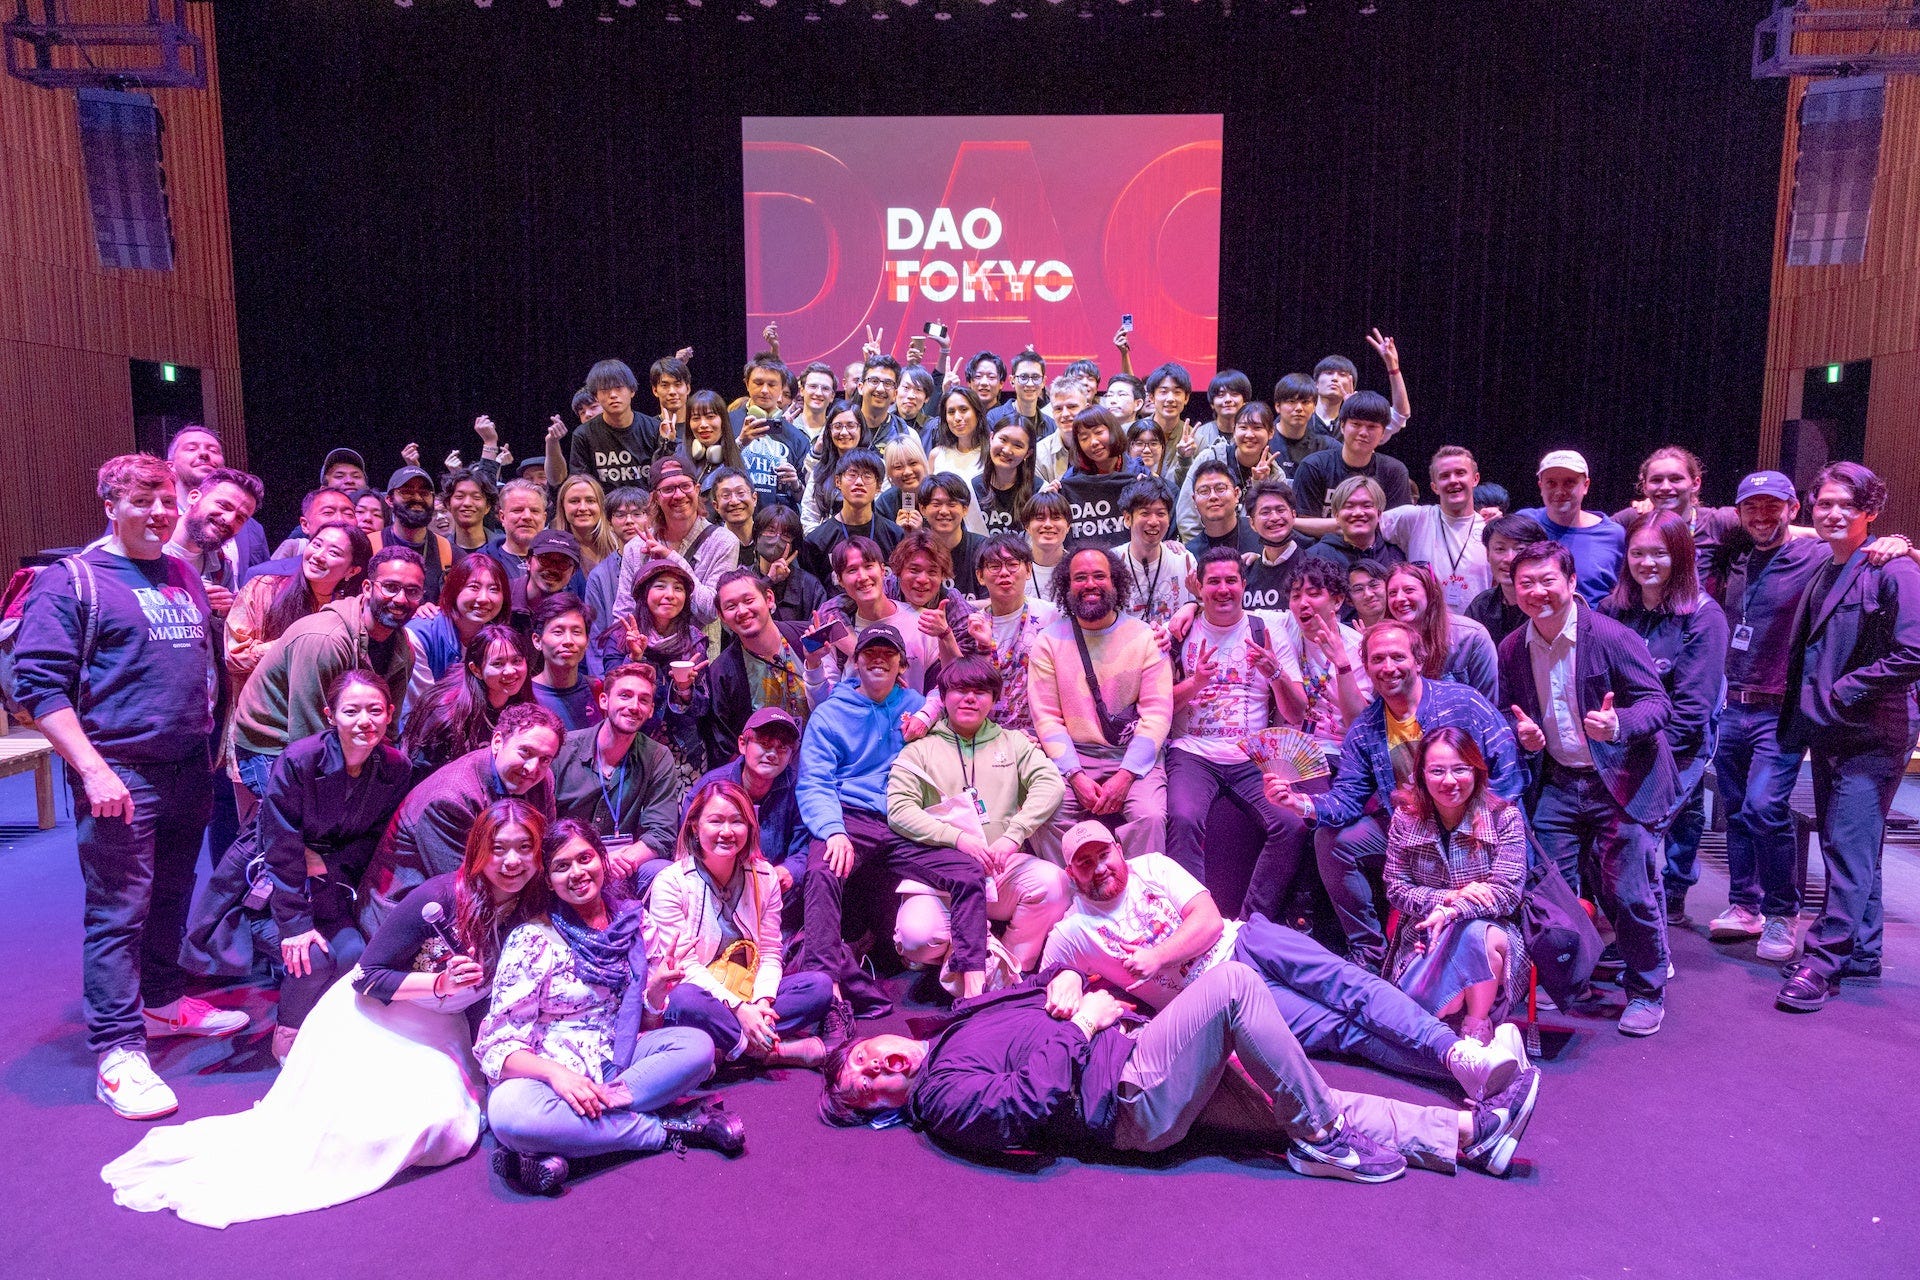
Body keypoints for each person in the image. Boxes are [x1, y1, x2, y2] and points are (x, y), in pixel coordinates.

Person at [102, 800, 547, 1226]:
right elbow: (368, 976)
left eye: (524, 848)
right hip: (376, 1020)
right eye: (499, 848)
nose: (511, 861)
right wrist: (439, 983)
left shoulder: (532, 903)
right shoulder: (440, 896)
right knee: (404, 1130)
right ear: (477, 850)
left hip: (445, 1029)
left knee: (444, 1126)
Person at [821, 956, 1535, 1182]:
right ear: (882, 1105)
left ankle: (1469, 1134)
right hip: (1128, 1099)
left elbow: (1054, 987)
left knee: (1294, 1093)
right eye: (867, 1088)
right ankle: (1323, 1142)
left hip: (1139, 1050)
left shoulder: (958, 1021)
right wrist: (1082, 1024)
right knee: (1231, 984)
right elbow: (1030, 1107)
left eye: (862, 1060)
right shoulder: (941, 1103)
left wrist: (1064, 983)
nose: (876, 1068)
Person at [10, 454, 241, 1118]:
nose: (161, 513)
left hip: (185, 765)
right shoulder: (71, 580)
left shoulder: (182, 575)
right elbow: (41, 687)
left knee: (171, 895)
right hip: (117, 769)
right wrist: (93, 769)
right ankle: (117, 1049)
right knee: (118, 911)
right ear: (109, 504)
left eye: (168, 501)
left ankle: (163, 1003)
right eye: (143, 502)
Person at [1041, 822, 1528, 1103]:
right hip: (1226, 998)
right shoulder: (1072, 930)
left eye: (1103, 854)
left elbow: (1207, 921)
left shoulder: (1153, 867)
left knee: (1353, 987)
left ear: (1118, 849)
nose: (1099, 867)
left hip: (1248, 942)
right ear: (1071, 873)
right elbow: (1040, 978)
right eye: (1084, 862)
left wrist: (1156, 957)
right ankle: (1469, 1071)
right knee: (1344, 1032)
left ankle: (1458, 1053)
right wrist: (1066, 978)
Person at [482, 820, 739, 1196]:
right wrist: (558, 1076)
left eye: (585, 858)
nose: (577, 873)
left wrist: (653, 992)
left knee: (697, 1047)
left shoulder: (635, 923)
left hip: (618, 1060)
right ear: (548, 879)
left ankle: (559, 1148)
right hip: (548, 1074)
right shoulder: (532, 938)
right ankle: (664, 1128)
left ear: (602, 859)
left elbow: (646, 1026)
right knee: (508, 1113)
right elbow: (497, 1041)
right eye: (561, 866)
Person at [1269, 620, 1524, 973]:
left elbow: (1507, 769)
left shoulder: (1462, 702)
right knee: (1332, 840)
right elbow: (1346, 798)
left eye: (1397, 657)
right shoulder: (1367, 726)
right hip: (1411, 827)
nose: (1388, 667)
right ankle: (1369, 952)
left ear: (1418, 660)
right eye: (1378, 659)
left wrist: (1483, 818)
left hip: (1476, 823)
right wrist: (1301, 804)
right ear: (1368, 667)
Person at [185, 670, 415, 1061]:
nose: (365, 721)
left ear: (390, 713)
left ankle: (326, 1035)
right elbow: (279, 844)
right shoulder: (300, 760)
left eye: (375, 710)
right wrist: (295, 926)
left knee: (354, 951)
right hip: (270, 886)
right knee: (312, 956)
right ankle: (287, 1034)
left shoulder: (395, 767)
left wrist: (324, 861)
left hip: (335, 884)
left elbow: (376, 841)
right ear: (330, 715)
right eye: (351, 710)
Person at [1498, 541, 1675, 1035]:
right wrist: (1524, 737)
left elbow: (1658, 705)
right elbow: (1508, 713)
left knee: (1627, 890)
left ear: (1571, 583)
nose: (1537, 592)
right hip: (1557, 782)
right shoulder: (1512, 647)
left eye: (1547, 580)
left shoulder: (1612, 637)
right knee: (1550, 891)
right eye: (1526, 583)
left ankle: (1646, 990)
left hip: (1620, 781)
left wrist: (1617, 725)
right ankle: (1568, 981)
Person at [1776, 462, 1920, 1013]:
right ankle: (1861, 950)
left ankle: (1824, 961)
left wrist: (1844, 691)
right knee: (1857, 845)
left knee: (1846, 847)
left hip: (1873, 731)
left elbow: (1913, 651)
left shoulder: (1892, 568)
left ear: (1871, 512)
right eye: (1825, 505)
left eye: (1847, 505)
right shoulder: (1829, 565)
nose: (1834, 514)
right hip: (1831, 729)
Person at [798, 623, 992, 1015]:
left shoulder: (914, 704)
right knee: (821, 872)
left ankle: (975, 991)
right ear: (856, 660)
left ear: (901, 663)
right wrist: (833, 831)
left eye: (888, 654)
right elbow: (815, 781)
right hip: (850, 817)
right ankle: (826, 992)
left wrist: (928, 712)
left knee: (968, 871)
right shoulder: (830, 713)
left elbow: (957, 694)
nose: (878, 660)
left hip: (905, 821)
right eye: (870, 652)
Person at [888, 658, 1071, 980]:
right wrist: (957, 839)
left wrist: (1015, 834)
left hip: (1001, 868)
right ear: (942, 697)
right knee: (917, 938)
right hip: (941, 875)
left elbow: (1050, 783)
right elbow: (900, 810)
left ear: (994, 699)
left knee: (1054, 884)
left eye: (980, 691)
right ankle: (968, 952)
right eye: (959, 690)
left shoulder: (1014, 743)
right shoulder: (919, 750)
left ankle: (1005, 970)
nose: (970, 698)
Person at [1164, 549, 1313, 921]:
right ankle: (1195, 922)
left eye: (1231, 580)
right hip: (1192, 751)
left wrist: (1275, 672)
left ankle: (1251, 923)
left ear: (1244, 585)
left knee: (1291, 825)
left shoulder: (1268, 630)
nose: (1223, 589)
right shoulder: (1181, 631)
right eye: (1213, 581)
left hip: (1254, 753)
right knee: (1182, 819)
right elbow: (1158, 705)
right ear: (1198, 586)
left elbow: (1298, 711)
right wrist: (1196, 683)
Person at [647, 780, 837, 1070]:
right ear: (696, 826)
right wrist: (738, 1009)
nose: (727, 831)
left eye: (737, 821)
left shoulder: (765, 877)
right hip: (699, 993)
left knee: (820, 986)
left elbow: (771, 952)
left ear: (750, 828)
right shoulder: (671, 882)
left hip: (746, 989)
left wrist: (760, 1002)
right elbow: (684, 968)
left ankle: (727, 1050)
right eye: (716, 821)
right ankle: (770, 1053)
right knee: (684, 1001)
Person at [1599, 510, 1728, 930]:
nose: (1647, 563)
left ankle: (1648, 945)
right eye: (1638, 553)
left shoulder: (1704, 617)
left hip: (1676, 746)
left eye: (1660, 553)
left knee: (1639, 840)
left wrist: (1636, 759)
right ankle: (1642, 924)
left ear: (1681, 556)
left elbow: (1692, 709)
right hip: (1616, 744)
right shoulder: (1611, 609)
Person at [229, 544, 424, 807]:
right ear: (367, 588)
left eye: (412, 591)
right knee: (297, 826)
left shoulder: (402, 648)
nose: (401, 599)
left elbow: (387, 729)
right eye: (390, 587)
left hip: (338, 739)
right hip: (273, 742)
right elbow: (307, 741)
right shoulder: (326, 639)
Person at [359, 703, 564, 935]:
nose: (533, 768)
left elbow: (544, 848)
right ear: (498, 741)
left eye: (545, 759)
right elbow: (467, 884)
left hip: (499, 893)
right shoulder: (449, 800)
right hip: (413, 915)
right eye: (525, 752)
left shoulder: (542, 779)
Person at [1027, 542, 1174, 861]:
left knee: (1149, 816)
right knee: (1044, 817)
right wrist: (1074, 774)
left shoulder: (1145, 638)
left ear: (1115, 583)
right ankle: (1069, 900)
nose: (1090, 584)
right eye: (1080, 578)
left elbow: (1157, 715)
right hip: (1074, 755)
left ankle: (1140, 901)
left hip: (1132, 754)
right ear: (1067, 586)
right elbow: (1047, 718)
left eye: (1099, 576)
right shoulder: (1049, 642)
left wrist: (1126, 775)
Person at [1382, 730, 1530, 1040]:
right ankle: (1452, 1020)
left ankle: (1478, 1027)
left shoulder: (1505, 817)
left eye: (1460, 769)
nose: (1450, 780)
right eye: (1437, 770)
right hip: (1424, 935)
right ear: (1421, 774)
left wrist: (1452, 911)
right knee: (1443, 1005)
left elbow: (1507, 894)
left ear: (1476, 771)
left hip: (1496, 932)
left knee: (1476, 934)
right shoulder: (1405, 818)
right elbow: (1395, 888)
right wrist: (1451, 896)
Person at [550, 663, 682, 898]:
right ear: (604, 701)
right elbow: (543, 824)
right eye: (625, 696)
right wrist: (593, 862)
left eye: (643, 700)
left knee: (661, 872)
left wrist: (622, 860)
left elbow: (661, 833)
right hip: (566, 864)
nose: (634, 706)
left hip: (622, 866)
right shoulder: (563, 749)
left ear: (651, 710)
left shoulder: (657, 756)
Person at [685, 707, 810, 924]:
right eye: (764, 743)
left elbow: (805, 847)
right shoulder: (711, 786)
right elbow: (686, 841)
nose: (772, 754)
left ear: (792, 756)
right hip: (714, 888)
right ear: (742, 744)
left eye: (783, 748)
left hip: (775, 892)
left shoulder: (800, 789)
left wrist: (789, 870)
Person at [705, 568, 835, 759]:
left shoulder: (807, 638)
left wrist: (815, 662)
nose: (742, 611)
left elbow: (839, 707)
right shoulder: (721, 674)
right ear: (722, 616)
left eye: (748, 601)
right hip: (767, 776)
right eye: (731, 606)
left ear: (769, 599)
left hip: (825, 759)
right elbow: (726, 749)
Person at [604, 558, 711, 789]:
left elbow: (702, 710)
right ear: (644, 592)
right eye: (660, 586)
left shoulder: (695, 642)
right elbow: (611, 696)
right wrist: (634, 659)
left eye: (679, 588)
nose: (670, 594)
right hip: (630, 746)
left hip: (683, 753)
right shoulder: (622, 637)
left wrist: (685, 690)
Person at [226, 521, 371, 684]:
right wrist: (297, 643)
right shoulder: (263, 587)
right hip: (261, 702)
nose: (318, 555)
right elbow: (234, 655)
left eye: (334, 552)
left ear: (352, 571)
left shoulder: (347, 609)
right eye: (316, 544)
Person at [611, 457, 739, 629]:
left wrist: (671, 558)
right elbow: (624, 612)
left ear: (697, 489)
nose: (678, 495)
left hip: (699, 652)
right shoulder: (635, 547)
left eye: (685, 486)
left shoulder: (723, 542)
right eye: (668, 489)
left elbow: (711, 611)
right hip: (644, 651)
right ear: (655, 497)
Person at [403, 623, 531, 778]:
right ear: (476, 670)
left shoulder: (523, 703)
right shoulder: (445, 714)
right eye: (498, 663)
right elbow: (424, 776)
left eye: (516, 661)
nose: (510, 671)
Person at [965, 533, 1057, 739]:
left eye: (1012, 564)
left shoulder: (1053, 616)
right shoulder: (972, 625)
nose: (1004, 573)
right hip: (985, 734)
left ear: (1028, 570)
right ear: (980, 576)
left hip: (1041, 734)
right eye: (994, 566)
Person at [1380, 446, 1490, 612]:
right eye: (1445, 476)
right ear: (1434, 486)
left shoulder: (1490, 530)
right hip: (1425, 629)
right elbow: (1358, 523)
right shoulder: (1415, 519)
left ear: (1475, 479)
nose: (1453, 480)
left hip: (1477, 629)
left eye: (1460, 473)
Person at [1289, 392, 1414, 537]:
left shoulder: (1394, 471)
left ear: (1383, 433)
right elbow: (1302, 523)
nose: (1363, 432)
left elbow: (1398, 524)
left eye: (1372, 427)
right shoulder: (1313, 466)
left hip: (1375, 553)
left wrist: (1344, 524)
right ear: (1342, 426)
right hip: (1322, 552)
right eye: (1356, 424)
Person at [1280, 557, 1373, 751]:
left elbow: (1359, 723)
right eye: (1295, 597)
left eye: (1313, 594)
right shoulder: (1283, 629)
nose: (1303, 603)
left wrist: (1342, 665)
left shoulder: (1358, 646)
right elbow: (1237, 614)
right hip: (1290, 745)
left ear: (1337, 601)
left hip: (1340, 748)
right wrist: (1198, 605)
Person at [403, 550, 510, 713]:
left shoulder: (495, 637)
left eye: (494, 589)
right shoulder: (419, 635)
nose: (483, 598)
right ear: (454, 590)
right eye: (474, 587)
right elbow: (420, 711)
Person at [1518, 449, 1626, 604]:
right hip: (1534, 624)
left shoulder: (1613, 535)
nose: (1560, 491)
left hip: (1595, 625)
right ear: (1541, 486)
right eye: (1551, 483)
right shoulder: (1524, 522)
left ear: (1586, 485)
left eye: (1569, 482)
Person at [1385, 561, 1500, 702]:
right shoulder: (1385, 642)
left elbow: (1488, 703)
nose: (1399, 598)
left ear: (1431, 593)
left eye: (1409, 590)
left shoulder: (1472, 637)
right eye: (1392, 593)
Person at [1175, 401, 1280, 538]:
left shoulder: (1275, 474)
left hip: (1250, 551)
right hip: (1205, 546)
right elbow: (1187, 515)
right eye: (1243, 427)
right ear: (1234, 430)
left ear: (1271, 432)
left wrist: (1259, 485)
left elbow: (1268, 522)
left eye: (1257, 428)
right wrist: (1197, 550)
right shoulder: (1210, 457)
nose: (1249, 434)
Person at [803, 449, 902, 585]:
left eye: (867, 476)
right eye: (852, 474)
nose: (859, 482)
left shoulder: (895, 535)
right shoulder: (817, 541)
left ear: (879, 486)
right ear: (838, 481)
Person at [569, 358, 660, 490]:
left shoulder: (654, 428)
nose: (613, 395)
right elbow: (581, 484)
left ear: (632, 391)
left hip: (647, 508)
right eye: (605, 390)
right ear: (596, 397)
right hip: (604, 509)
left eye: (619, 388)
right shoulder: (583, 435)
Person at [1119, 475, 1197, 628]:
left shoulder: (1184, 560)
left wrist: (1196, 604)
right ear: (1127, 518)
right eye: (1145, 513)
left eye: (1161, 514)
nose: (1154, 522)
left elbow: (1201, 609)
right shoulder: (1112, 561)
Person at [1465, 513, 1550, 645]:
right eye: (1500, 549)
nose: (1509, 559)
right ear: (1487, 554)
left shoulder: (1551, 602)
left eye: (1519, 549)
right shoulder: (1481, 605)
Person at [1304, 476, 1410, 576]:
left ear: (1379, 514)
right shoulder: (1315, 557)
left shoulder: (1397, 556)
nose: (1358, 513)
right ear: (1336, 515)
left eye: (1366, 506)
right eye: (1349, 506)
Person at [380, 466, 456, 604]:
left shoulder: (451, 553)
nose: (417, 497)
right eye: (407, 492)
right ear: (390, 500)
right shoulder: (368, 546)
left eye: (424, 492)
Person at [527, 591, 599, 731]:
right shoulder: (524, 694)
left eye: (576, 632)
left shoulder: (596, 689)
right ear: (537, 640)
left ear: (587, 642)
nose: (568, 641)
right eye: (558, 632)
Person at [1240, 480, 1310, 611]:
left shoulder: (1313, 567)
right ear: (1252, 523)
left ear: (1293, 515)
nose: (1274, 517)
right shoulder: (1245, 572)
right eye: (1265, 512)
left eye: (1281, 510)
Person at [970, 412, 1036, 536]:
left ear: (1028, 453)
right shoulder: (971, 488)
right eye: (1003, 440)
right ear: (991, 438)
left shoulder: (1039, 490)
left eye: (1018, 445)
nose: (1007, 450)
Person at [804, 402, 867, 531]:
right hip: (826, 544)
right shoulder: (820, 471)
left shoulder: (876, 467)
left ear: (861, 429)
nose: (843, 432)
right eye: (837, 426)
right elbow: (808, 517)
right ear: (829, 430)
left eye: (851, 426)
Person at [1183, 458, 1259, 557]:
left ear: (1236, 494)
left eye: (1220, 489)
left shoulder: (1260, 531)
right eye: (1204, 491)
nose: (1213, 496)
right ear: (1194, 501)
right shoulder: (1190, 554)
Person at [1270, 372, 1337, 483]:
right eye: (1292, 401)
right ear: (1278, 406)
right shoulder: (1263, 440)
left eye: (1305, 402)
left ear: (1314, 406)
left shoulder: (1327, 446)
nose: (1299, 408)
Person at [677, 389, 749, 492]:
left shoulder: (739, 459)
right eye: (696, 418)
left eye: (710, 417)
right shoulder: (677, 457)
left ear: (723, 421)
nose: (703, 425)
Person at [550, 473, 623, 571]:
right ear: (562, 507)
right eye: (574, 501)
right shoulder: (552, 548)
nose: (583, 508)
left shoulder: (619, 543)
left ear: (601, 505)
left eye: (590, 501)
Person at [928, 383, 988, 484]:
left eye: (963, 410)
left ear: (977, 413)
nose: (957, 418)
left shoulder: (991, 455)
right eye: (951, 412)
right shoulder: (936, 455)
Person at [491, 478, 549, 581]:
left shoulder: (562, 562)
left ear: (544, 518)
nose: (527, 516)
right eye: (518, 510)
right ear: (502, 517)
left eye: (534, 511)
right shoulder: (483, 562)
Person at [1023, 490, 1072, 600]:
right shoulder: (1015, 569)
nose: (1048, 524)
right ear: (1027, 526)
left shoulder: (1078, 567)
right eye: (1040, 518)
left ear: (1068, 526)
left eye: (1056, 518)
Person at [442, 467, 497, 557]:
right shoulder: (440, 551)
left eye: (476, 497)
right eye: (460, 496)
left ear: (488, 506)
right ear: (448, 504)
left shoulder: (502, 549)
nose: (467, 503)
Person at [1347, 559, 1394, 630]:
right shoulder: (1343, 634)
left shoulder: (1406, 628)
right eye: (1358, 589)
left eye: (1373, 585)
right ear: (1349, 600)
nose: (1368, 594)